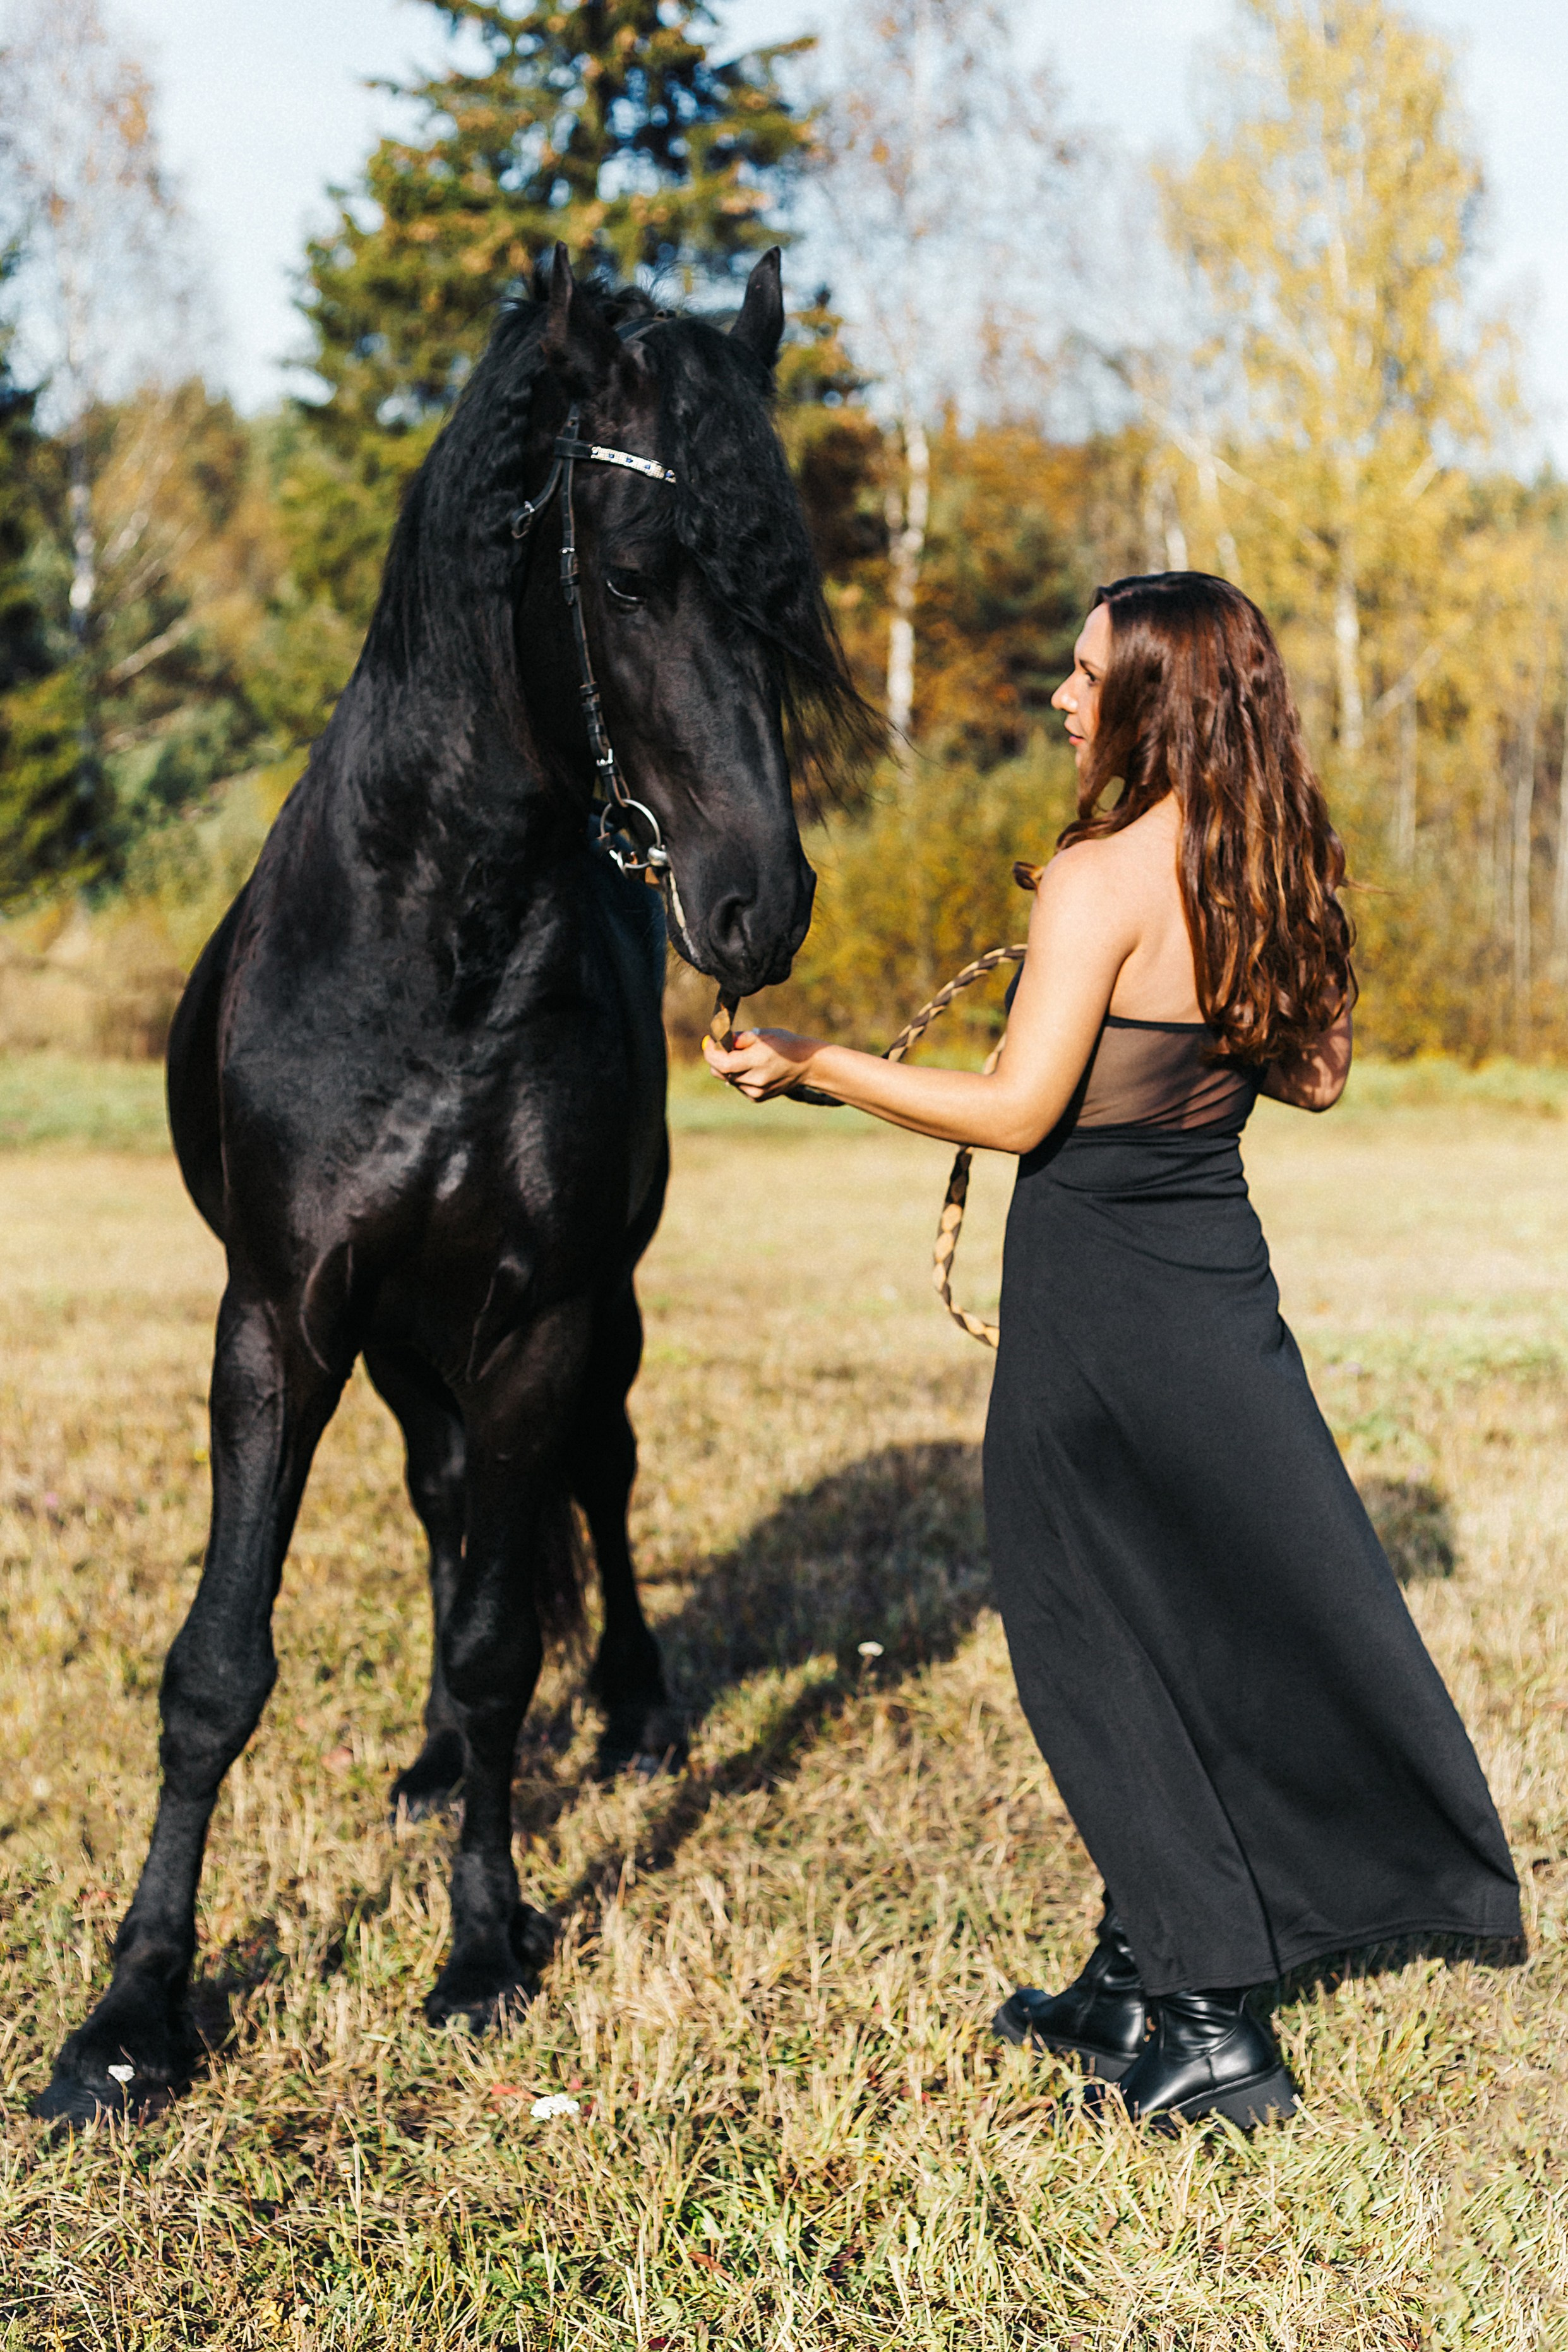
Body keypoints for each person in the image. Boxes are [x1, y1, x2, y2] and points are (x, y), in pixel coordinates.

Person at [703, 572, 1522, 2133]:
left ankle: (1211, 2027)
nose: (1064, 699)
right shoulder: (1275, 853)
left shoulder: (1097, 874)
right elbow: (1324, 1075)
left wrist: (820, 1064)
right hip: (1217, 1289)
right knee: (1192, 1612)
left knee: (1087, 1639)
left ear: (1155, 698)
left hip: (1095, 1305)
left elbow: (1017, 1113)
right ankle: (1134, 1964)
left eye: (1088, 677)